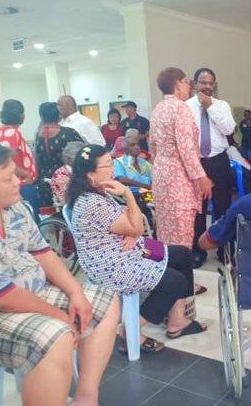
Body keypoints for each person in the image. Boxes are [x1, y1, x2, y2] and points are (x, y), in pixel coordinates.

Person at [0, 139, 119, 406]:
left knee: (105, 300)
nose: (18, 181)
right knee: (54, 335)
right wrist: (59, 315)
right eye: (8, 178)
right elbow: (2, 298)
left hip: (25, 295)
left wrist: (75, 292)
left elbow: (43, 252)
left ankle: (86, 398)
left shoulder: (11, 207)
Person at [68, 145, 206, 352]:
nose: (113, 169)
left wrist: (131, 231)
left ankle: (177, 321)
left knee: (182, 255)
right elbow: (136, 226)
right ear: (91, 175)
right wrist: (127, 195)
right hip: (113, 265)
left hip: (130, 249)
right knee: (174, 281)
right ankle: (131, 329)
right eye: (107, 165)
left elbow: (129, 220)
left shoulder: (98, 193)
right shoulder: (92, 202)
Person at [150, 67, 213, 252]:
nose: (189, 87)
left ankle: (166, 267)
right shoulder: (180, 108)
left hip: (161, 177)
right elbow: (186, 148)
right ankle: (182, 270)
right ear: (177, 84)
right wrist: (201, 177)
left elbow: (152, 146)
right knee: (182, 235)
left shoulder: (158, 109)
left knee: (165, 233)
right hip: (178, 180)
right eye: (186, 82)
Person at [186, 68, 236, 264]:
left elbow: (229, 129)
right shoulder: (186, 107)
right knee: (198, 209)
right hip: (196, 162)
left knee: (223, 207)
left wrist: (210, 108)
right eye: (203, 82)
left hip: (219, 161)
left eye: (210, 83)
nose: (207, 86)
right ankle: (198, 250)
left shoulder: (222, 105)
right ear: (195, 84)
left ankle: (224, 249)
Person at [0, 99, 39, 218]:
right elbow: (6, 160)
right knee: (30, 220)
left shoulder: (0, 131)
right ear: (21, 115)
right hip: (21, 184)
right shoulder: (12, 133)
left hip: (11, 184)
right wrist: (27, 175)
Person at [34, 102, 84, 207]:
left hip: (44, 182)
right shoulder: (68, 133)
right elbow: (81, 155)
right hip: (65, 180)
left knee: (51, 212)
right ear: (59, 115)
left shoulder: (38, 134)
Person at [50, 141, 85, 206]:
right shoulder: (59, 175)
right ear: (69, 159)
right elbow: (67, 200)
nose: (83, 161)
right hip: (70, 208)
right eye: (79, 158)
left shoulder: (82, 170)